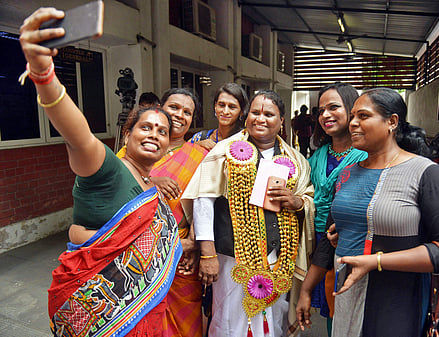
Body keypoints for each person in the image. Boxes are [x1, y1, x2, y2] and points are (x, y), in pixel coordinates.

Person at [18, 8, 182, 336]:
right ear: (127, 134)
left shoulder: (151, 185)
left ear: (168, 145)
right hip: (99, 316)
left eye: (162, 131)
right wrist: (44, 75)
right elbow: (77, 133)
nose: (154, 134)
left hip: (145, 317)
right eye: (145, 127)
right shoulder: (106, 168)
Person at [329, 88, 439, 336]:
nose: (352, 123)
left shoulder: (425, 173)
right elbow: (366, 220)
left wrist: (377, 260)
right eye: (352, 116)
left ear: (392, 122)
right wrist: (343, 231)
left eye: (363, 116)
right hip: (348, 292)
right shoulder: (347, 173)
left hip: (396, 296)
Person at [181, 90, 315, 336]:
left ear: (282, 120)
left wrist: (296, 202)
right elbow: (203, 201)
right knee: (229, 319)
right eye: (255, 112)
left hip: (278, 257)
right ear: (246, 116)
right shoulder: (224, 151)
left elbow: (308, 198)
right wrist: (207, 253)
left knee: (274, 319)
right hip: (231, 258)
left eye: (269, 114)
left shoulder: (296, 160)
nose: (261, 119)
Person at [118, 87, 208, 337]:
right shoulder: (134, 149)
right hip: (139, 252)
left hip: (182, 255)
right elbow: (116, 187)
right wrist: (151, 179)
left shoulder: (200, 155)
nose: (180, 115)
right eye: (174, 108)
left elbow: (207, 206)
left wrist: (197, 246)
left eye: (187, 112)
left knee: (184, 322)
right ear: (161, 109)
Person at [296, 83, 367, 335]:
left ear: (352, 110)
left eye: (333, 107)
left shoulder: (365, 155)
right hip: (313, 238)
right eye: (321, 109)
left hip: (348, 241)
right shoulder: (316, 155)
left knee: (347, 304)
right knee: (327, 305)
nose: (325, 114)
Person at [190, 82, 248, 150]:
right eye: (221, 105)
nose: (225, 111)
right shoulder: (200, 138)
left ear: (241, 111)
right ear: (215, 106)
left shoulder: (246, 141)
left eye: (232, 107)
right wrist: (196, 146)